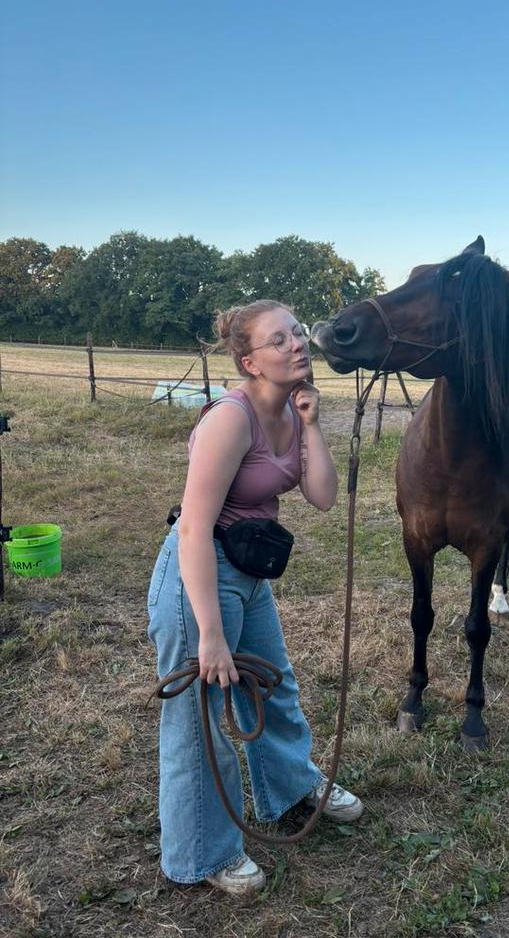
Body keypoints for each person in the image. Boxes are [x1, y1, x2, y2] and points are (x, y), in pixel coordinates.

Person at [147, 300, 363, 901]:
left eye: (298, 332)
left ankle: (290, 789)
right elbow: (192, 529)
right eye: (280, 339)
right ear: (250, 361)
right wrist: (210, 635)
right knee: (199, 715)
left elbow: (321, 496)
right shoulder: (229, 419)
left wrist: (314, 424)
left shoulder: (295, 413)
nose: (298, 343)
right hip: (200, 572)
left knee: (273, 685)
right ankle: (203, 852)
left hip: (247, 570)